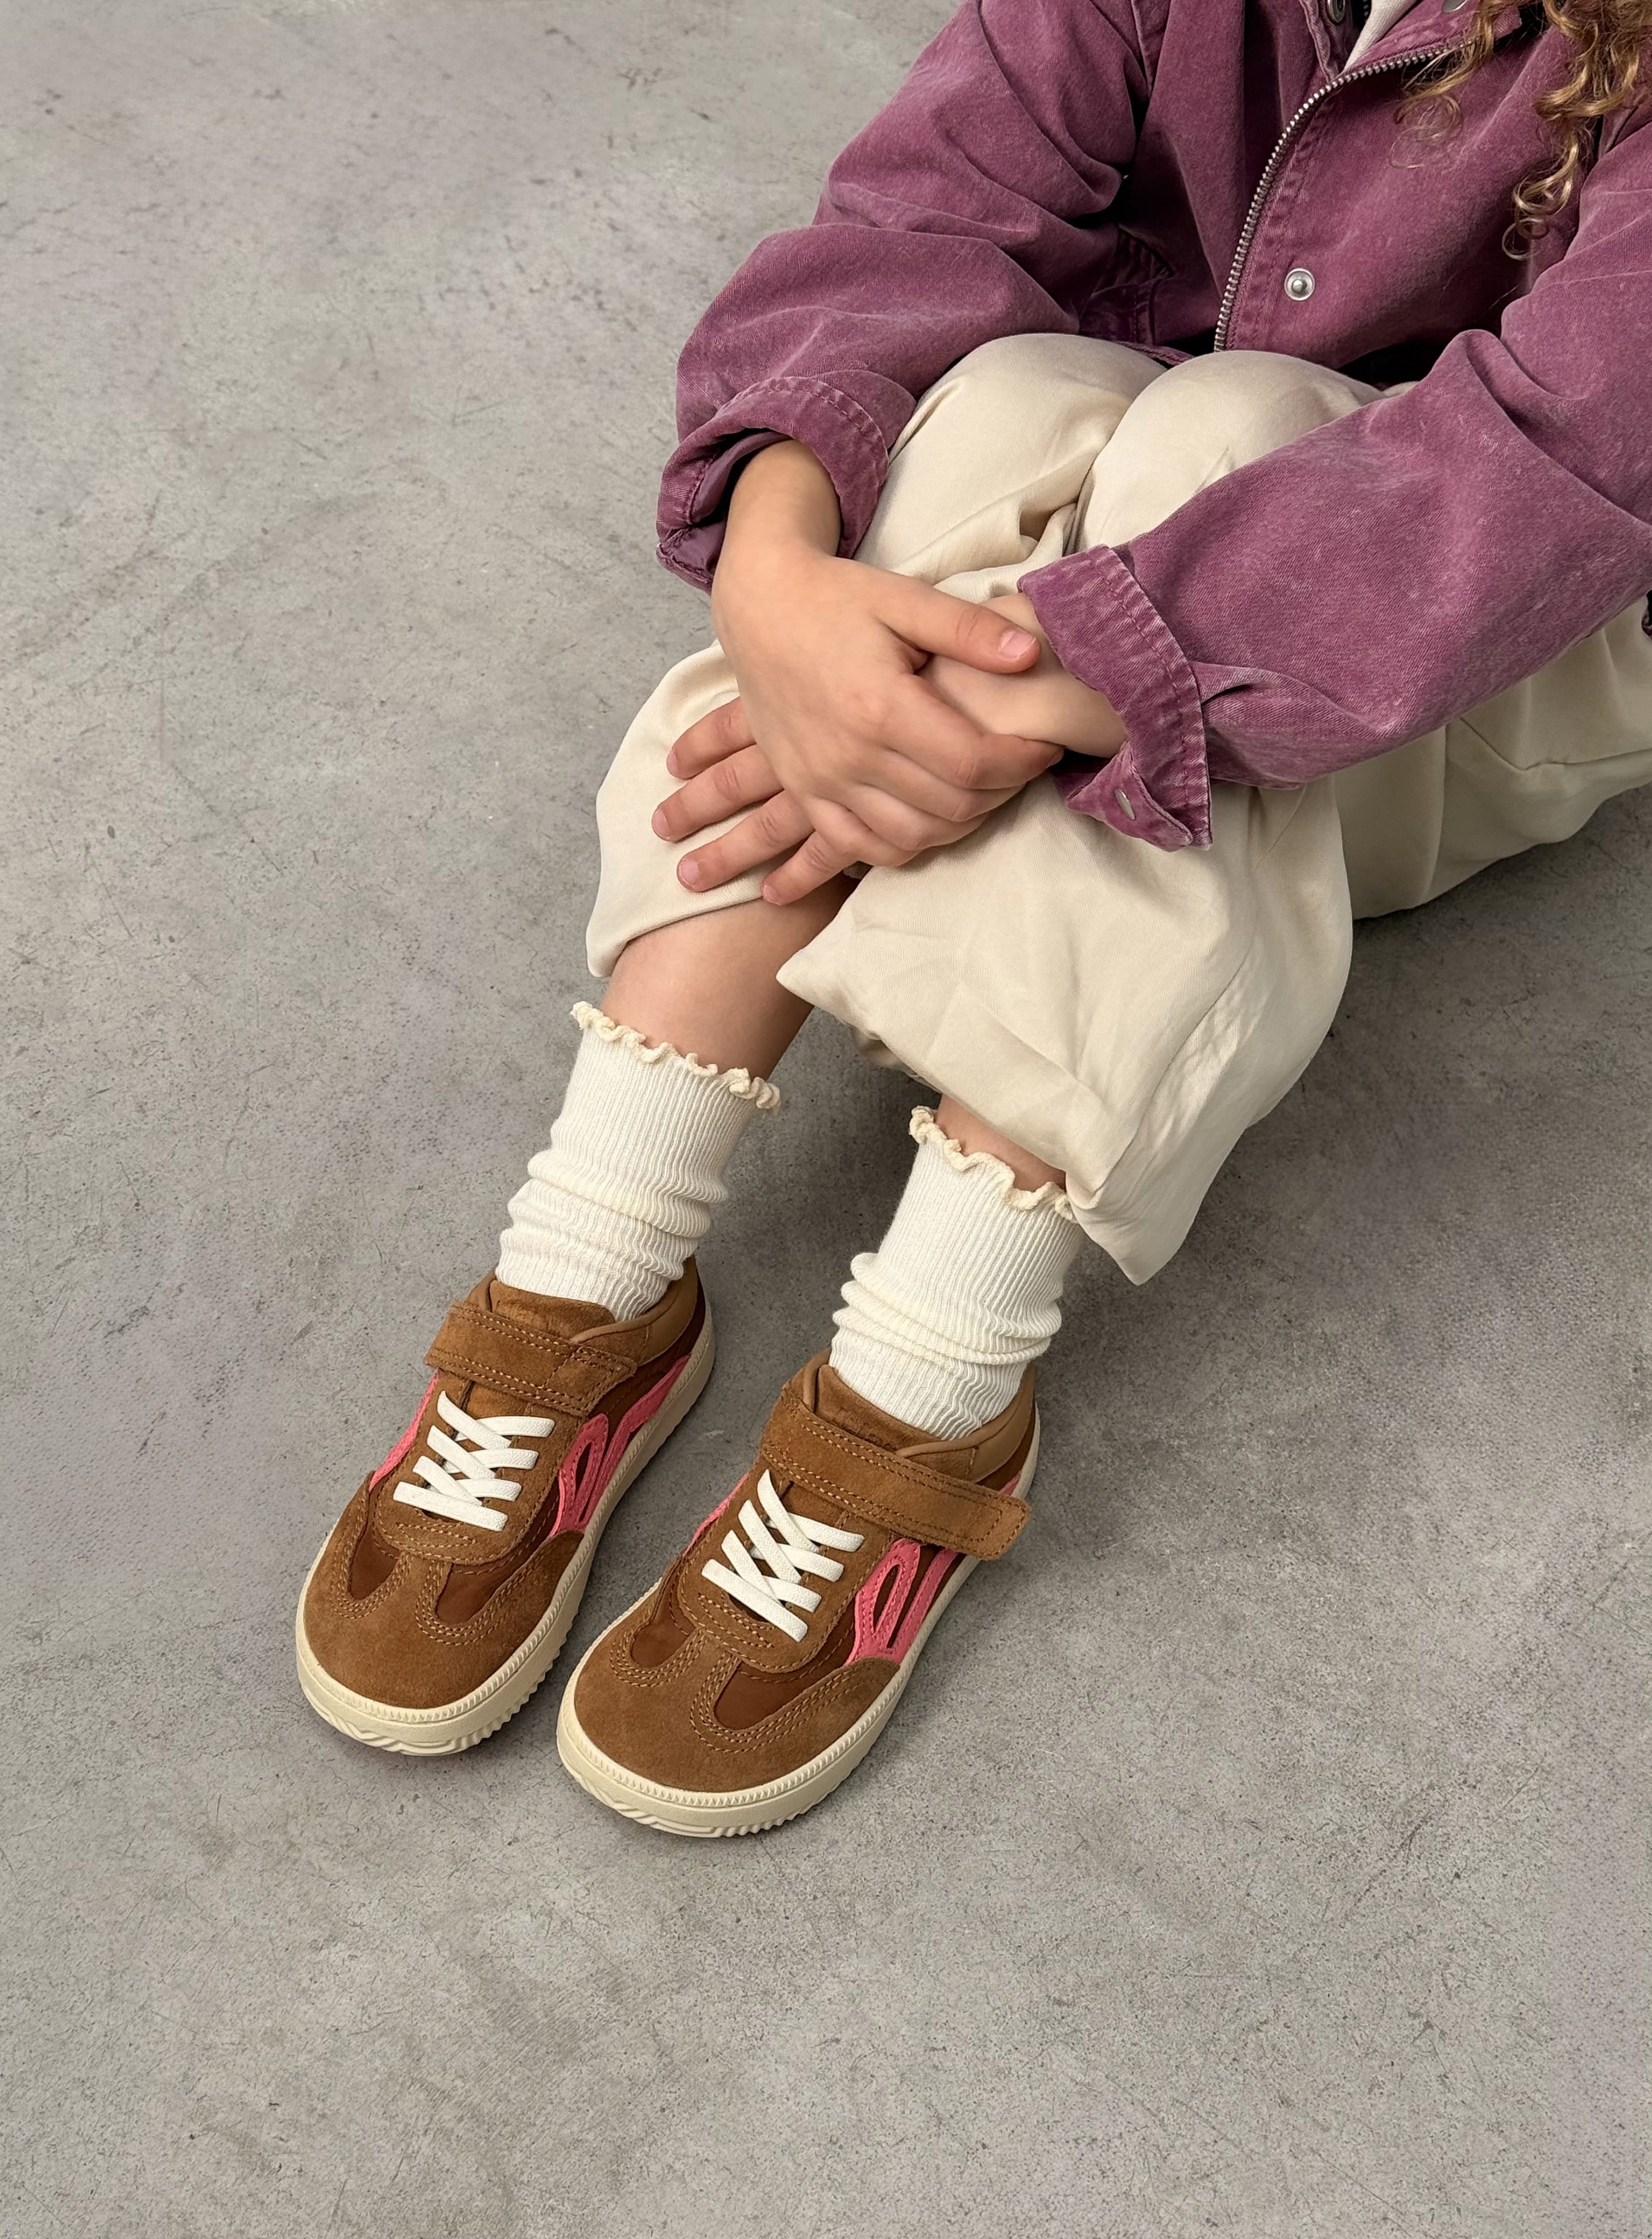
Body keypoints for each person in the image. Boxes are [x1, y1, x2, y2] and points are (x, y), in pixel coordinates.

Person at [295, 0, 1652, 1833]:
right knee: (1013, 394)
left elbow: (1537, 480)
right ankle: (592, 1266)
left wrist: (1040, 692)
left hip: (1451, 681)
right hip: (1057, 564)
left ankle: (931, 1376)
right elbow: (925, 216)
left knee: (1232, 424)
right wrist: (778, 578)